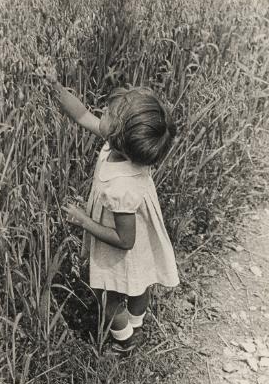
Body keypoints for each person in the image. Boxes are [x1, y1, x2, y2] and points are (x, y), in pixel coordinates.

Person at [41, 65, 179, 354]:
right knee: (140, 282)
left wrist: (84, 221)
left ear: (118, 135)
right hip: (140, 238)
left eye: (111, 113)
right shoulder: (122, 144)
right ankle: (136, 323)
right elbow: (80, 114)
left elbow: (125, 240)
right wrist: (55, 85)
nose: (104, 110)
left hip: (120, 244)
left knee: (109, 295)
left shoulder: (121, 185)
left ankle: (125, 341)